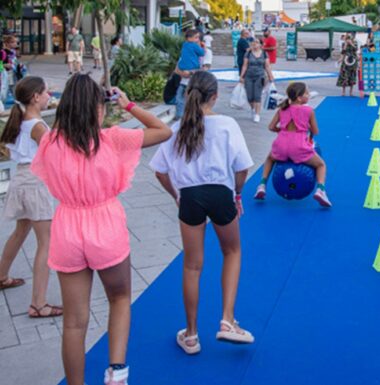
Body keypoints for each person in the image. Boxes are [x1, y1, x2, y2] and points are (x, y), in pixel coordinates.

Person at [30, 74, 171, 385]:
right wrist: (128, 104)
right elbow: (163, 130)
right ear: (99, 108)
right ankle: (117, 373)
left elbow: (35, 123)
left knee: (74, 323)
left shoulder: (50, 143)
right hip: (105, 226)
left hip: (67, 228)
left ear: (65, 108)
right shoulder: (112, 139)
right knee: (119, 299)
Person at [149, 71, 255, 354]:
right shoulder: (227, 124)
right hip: (221, 193)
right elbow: (242, 167)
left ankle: (192, 335)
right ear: (215, 96)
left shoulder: (177, 128)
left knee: (192, 266)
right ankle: (227, 320)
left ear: (188, 95)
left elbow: (159, 171)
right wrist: (236, 192)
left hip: (191, 198)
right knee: (232, 252)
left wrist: (177, 194)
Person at [0, 76, 62, 319]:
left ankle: (2, 275)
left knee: (20, 231)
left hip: (21, 180)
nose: (50, 96)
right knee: (46, 242)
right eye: (47, 92)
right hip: (35, 184)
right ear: (36, 97)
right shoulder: (37, 125)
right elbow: (54, 153)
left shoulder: (22, 120)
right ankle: (39, 303)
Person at [253, 82, 332, 207]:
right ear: (300, 98)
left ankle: (262, 185)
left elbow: (271, 127)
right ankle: (320, 189)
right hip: (299, 146)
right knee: (321, 165)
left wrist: (283, 131)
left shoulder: (282, 109)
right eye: (307, 93)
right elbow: (315, 131)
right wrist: (305, 127)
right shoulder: (308, 110)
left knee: (269, 158)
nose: (308, 95)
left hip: (281, 144)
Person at [240, 38, 275, 123]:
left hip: (260, 76)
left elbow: (267, 66)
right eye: (253, 43)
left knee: (257, 95)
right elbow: (244, 65)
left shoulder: (264, 54)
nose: (255, 44)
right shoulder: (248, 53)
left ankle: (257, 114)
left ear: (260, 45)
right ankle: (253, 108)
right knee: (249, 96)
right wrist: (241, 76)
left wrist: (270, 76)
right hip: (248, 76)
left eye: (257, 42)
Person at [174, 29, 205, 120]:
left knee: (180, 96)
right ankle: (187, 115)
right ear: (189, 38)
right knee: (186, 96)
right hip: (191, 73)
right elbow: (202, 53)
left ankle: (180, 115)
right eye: (196, 38)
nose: (197, 39)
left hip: (186, 73)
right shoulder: (195, 46)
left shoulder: (184, 45)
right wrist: (200, 45)